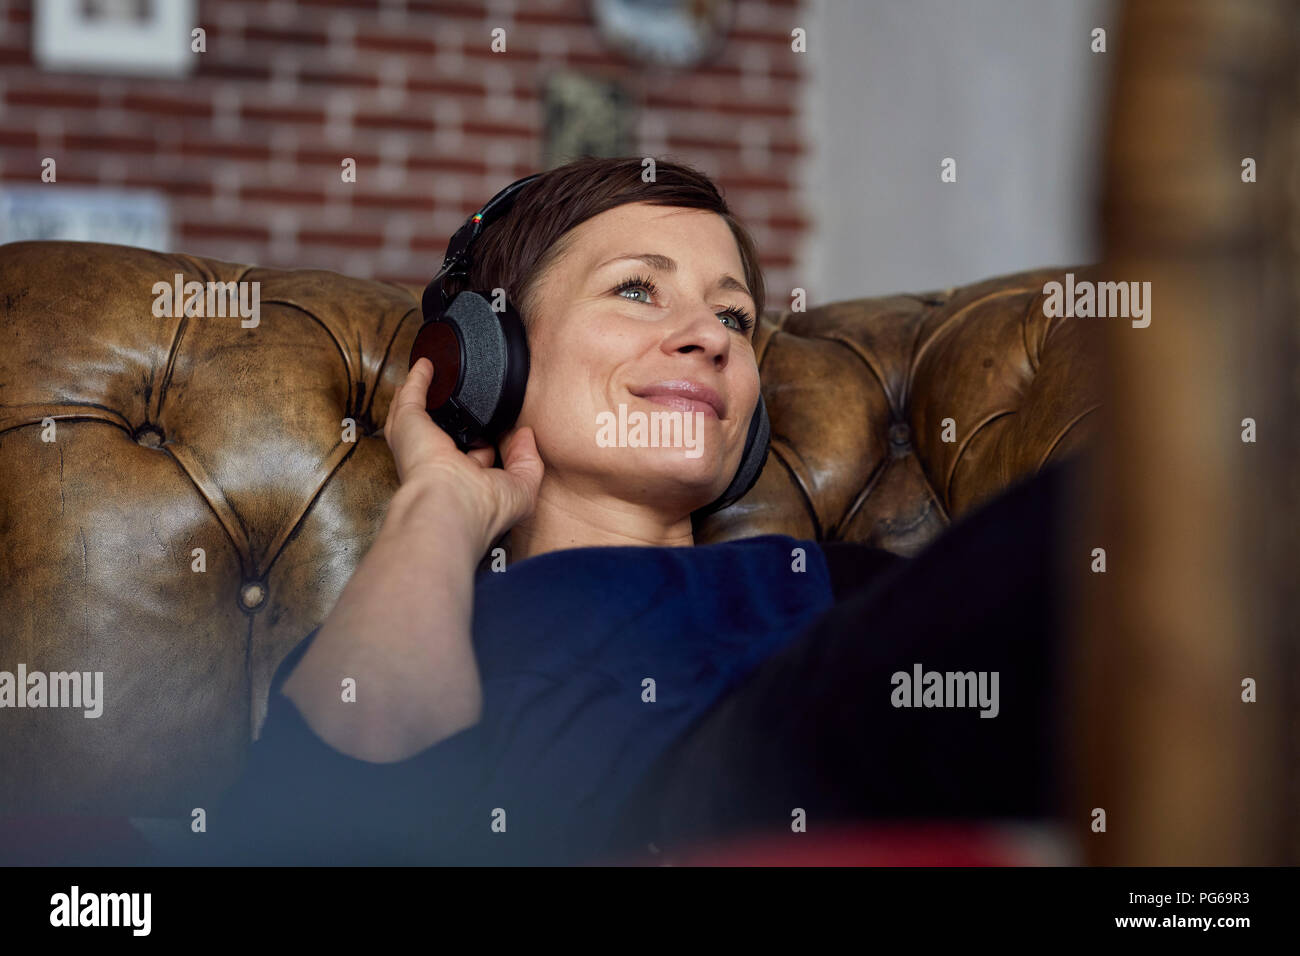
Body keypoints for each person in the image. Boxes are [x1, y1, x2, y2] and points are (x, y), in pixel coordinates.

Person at [151, 156, 1074, 867]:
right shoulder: (425, 625)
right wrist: (436, 504)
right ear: (489, 358)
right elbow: (321, 833)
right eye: (637, 288)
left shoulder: (843, 584)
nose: (710, 335)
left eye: (738, 318)